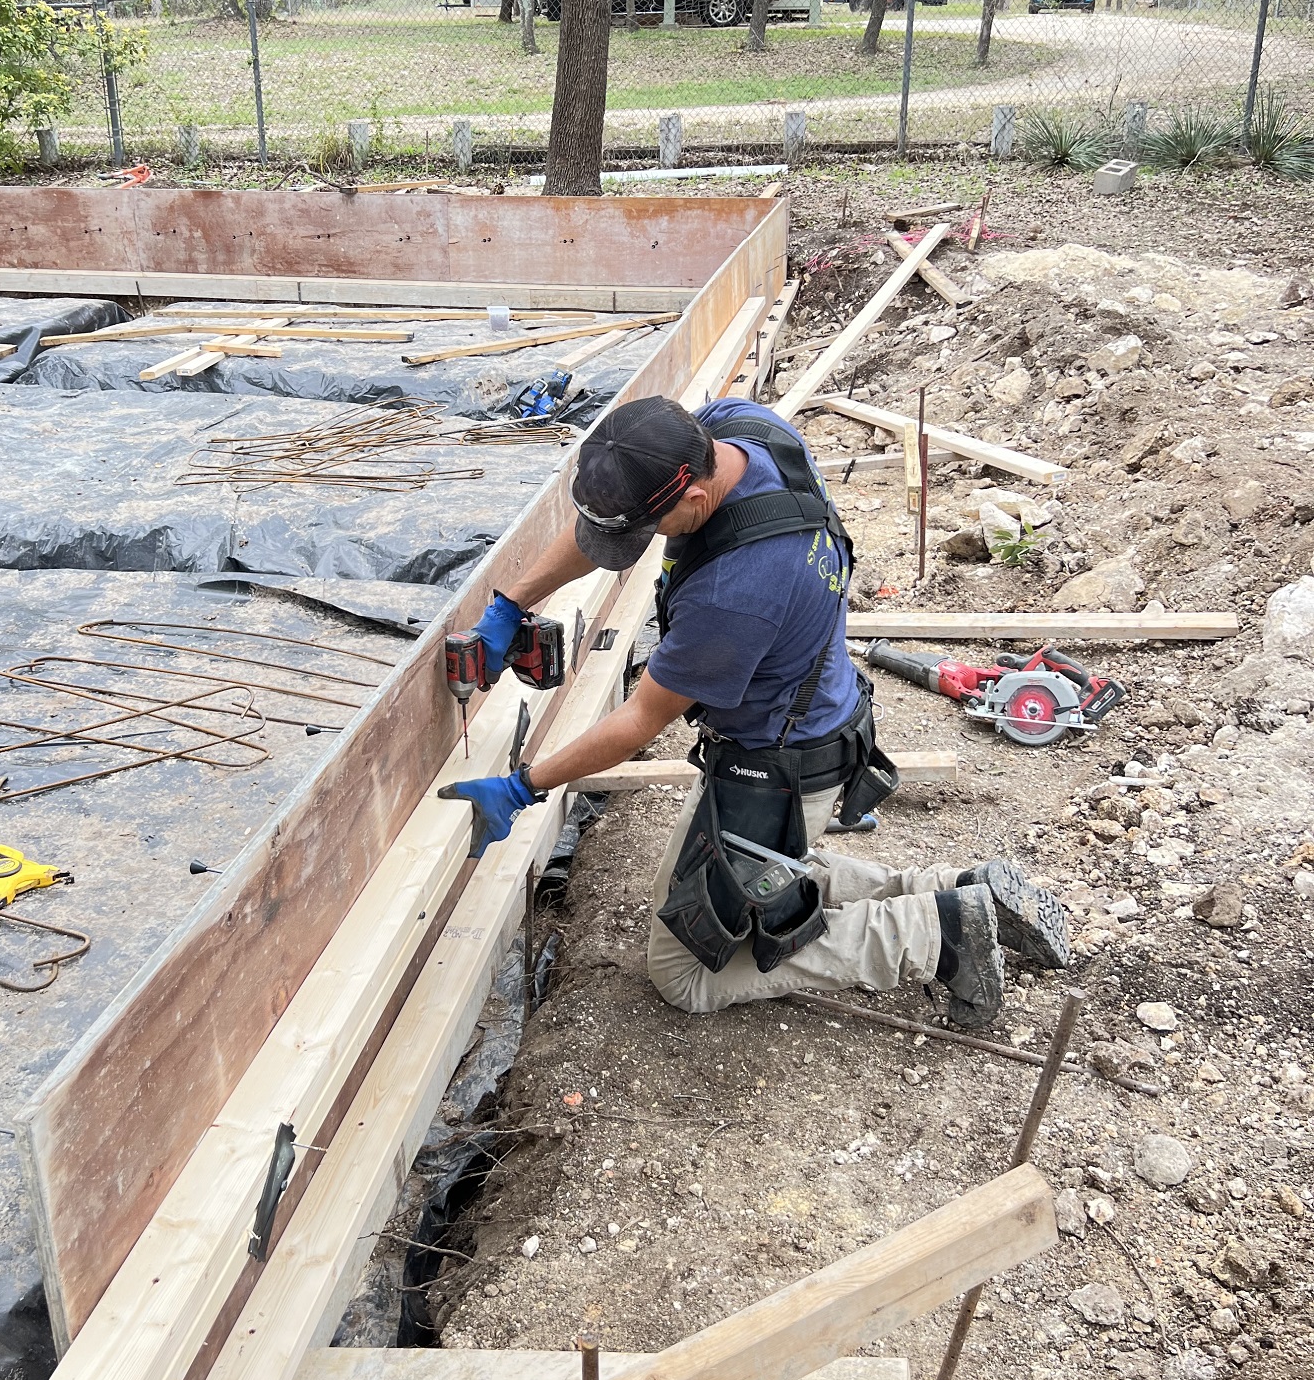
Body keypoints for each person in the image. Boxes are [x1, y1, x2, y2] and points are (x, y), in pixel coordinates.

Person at [439, 394, 1068, 1026]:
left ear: (691, 501)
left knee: (681, 973)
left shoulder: (732, 596)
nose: (640, 542)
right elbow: (608, 530)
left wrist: (523, 786)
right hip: (816, 710)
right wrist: (510, 604)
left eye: (645, 532)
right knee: (751, 879)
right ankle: (957, 892)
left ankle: (935, 935)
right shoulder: (736, 429)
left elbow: (636, 723)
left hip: (780, 771)